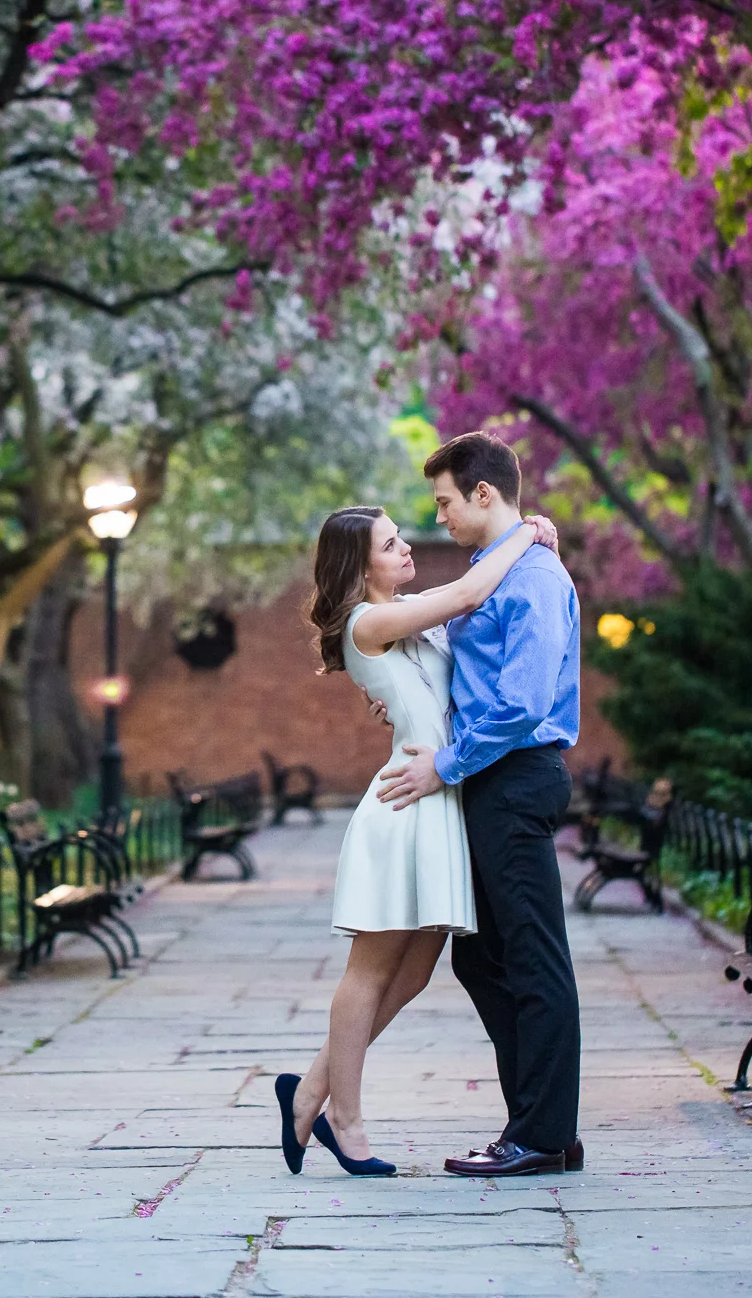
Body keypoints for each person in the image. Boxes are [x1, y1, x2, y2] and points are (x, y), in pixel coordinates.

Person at [274, 501, 557, 1177]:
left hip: (439, 799)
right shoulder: (368, 620)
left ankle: (310, 1089)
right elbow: (467, 591)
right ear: (359, 562)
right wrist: (527, 530)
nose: (408, 549)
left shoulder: (401, 621)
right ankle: (346, 1115)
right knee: (369, 971)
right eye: (392, 543)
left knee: (417, 970)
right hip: (404, 806)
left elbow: (443, 665)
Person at [375, 432, 583, 1178]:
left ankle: (543, 1133)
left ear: (484, 493)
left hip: (514, 776)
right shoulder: (496, 570)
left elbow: (521, 703)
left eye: (445, 501)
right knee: (484, 955)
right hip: (493, 781)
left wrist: (446, 763)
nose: (441, 516)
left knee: (531, 958)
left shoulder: (528, 580)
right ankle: (539, 1121)